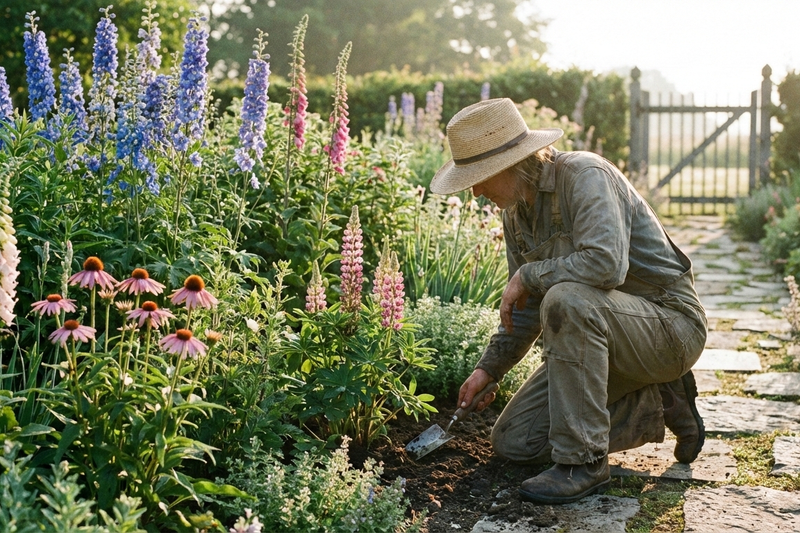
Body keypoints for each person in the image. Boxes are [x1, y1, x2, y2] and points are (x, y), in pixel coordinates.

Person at [429, 98, 708, 505]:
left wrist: (529, 274)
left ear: (510, 163)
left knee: (565, 299)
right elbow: (524, 310)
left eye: (480, 177)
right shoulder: (515, 216)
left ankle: (584, 463)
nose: (475, 191)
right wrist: (488, 369)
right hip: (607, 339)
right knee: (515, 442)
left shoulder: (585, 175)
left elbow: (606, 265)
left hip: (669, 327)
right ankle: (662, 399)